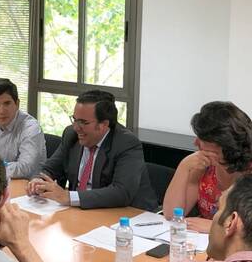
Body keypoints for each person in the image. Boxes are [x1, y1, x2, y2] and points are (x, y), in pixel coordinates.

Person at [26, 90, 157, 210]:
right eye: (75, 120)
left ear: (103, 124)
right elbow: (49, 168)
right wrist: (38, 181)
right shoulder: (71, 135)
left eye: (83, 122)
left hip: (126, 215)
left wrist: (69, 197)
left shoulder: (126, 143)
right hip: (79, 211)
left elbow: (121, 192)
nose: (76, 127)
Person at [163, 101, 252, 232]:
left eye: (202, 139)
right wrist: (184, 166)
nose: (195, 143)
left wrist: (215, 227)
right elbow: (172, 215)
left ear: (224, 143)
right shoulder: (204, 165)